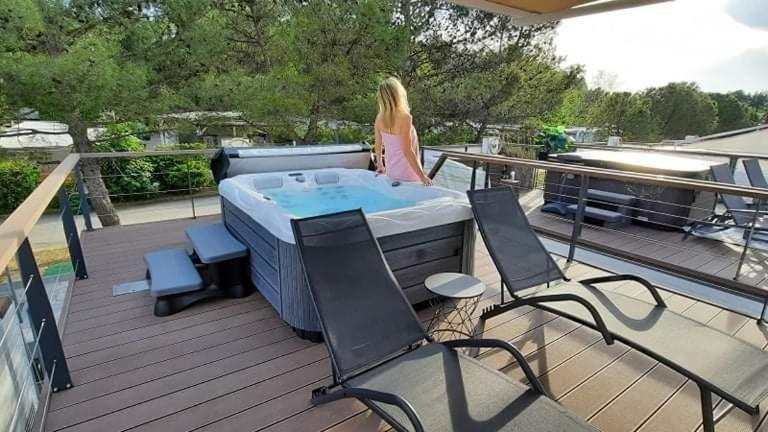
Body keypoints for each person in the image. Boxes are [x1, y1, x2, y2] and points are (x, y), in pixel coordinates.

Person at [374, 77, 432, 186]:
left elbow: (378, 145)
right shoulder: (405, 118)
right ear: (398, 94)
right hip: (409, 173)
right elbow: (407, 151)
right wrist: (422, 177)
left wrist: (380, 165)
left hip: (391, 172)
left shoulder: (379, 118)